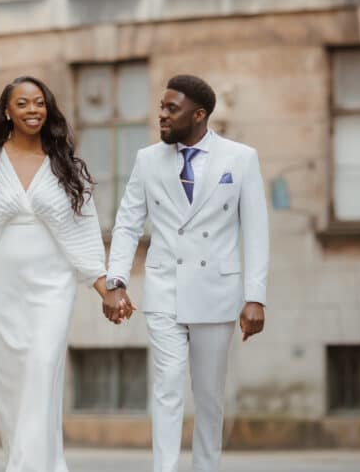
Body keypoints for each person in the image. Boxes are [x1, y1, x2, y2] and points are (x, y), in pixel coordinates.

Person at [0, 75, 132, 472]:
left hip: (54, 284)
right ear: (7, 112)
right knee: (14, 382)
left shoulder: (65, 164)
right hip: (2, 284)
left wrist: (107, 291)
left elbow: (83, 236)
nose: (33, 110)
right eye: (23, 103)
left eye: (39, 102)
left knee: (43, 367)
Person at [102, 74, 269, 472]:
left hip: (217, 292)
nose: (161, 115)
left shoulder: (240, 158)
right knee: (167, 389)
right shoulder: (148, 160)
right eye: (161, 107)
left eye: (170, 109)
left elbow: (257, 230)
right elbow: (126, 224)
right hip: (164, 289)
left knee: (209, 398)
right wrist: (116, 280)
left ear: (198, 115)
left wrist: (256, 296)